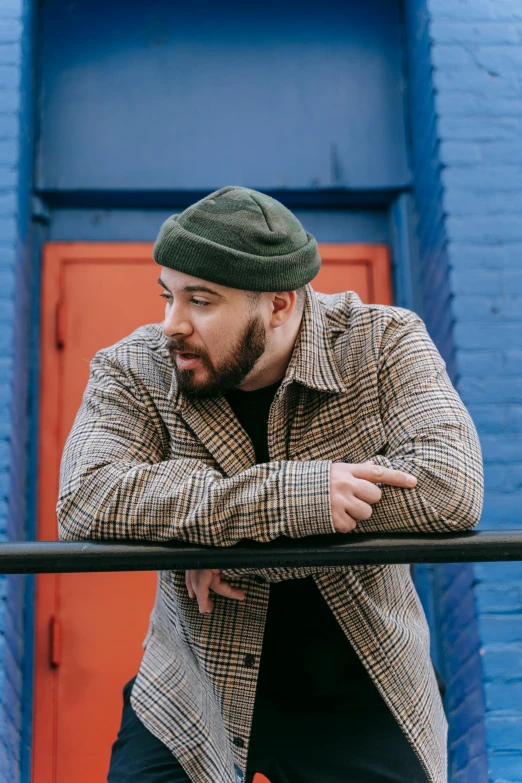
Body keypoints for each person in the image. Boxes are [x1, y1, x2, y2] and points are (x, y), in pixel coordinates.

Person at [57, 186, 484, 783]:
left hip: (362, 688)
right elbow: (88, 496)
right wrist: (304, 498)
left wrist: (222, 541)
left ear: (279, 305)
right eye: (168, 296)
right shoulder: (135, 366)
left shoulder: (384, 343)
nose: (171, 325)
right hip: (193, 684)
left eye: (200, 302)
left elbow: (450, 486)